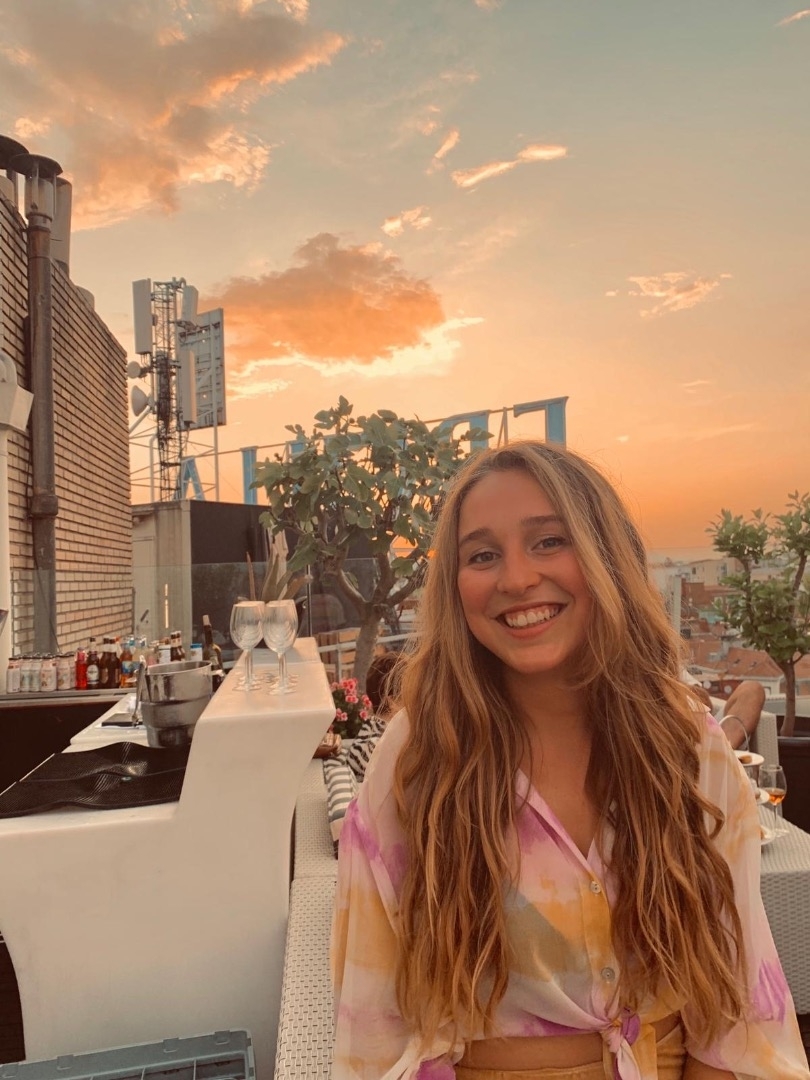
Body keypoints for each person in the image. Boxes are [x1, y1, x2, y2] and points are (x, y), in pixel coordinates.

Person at [331, 441, 809, 1080]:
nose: (516, 579)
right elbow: (374, 1029)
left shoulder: (687, 744)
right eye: (482, 555)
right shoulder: (418, 759)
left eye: (549, 541)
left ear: (606, 556)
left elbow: (734, 1008)